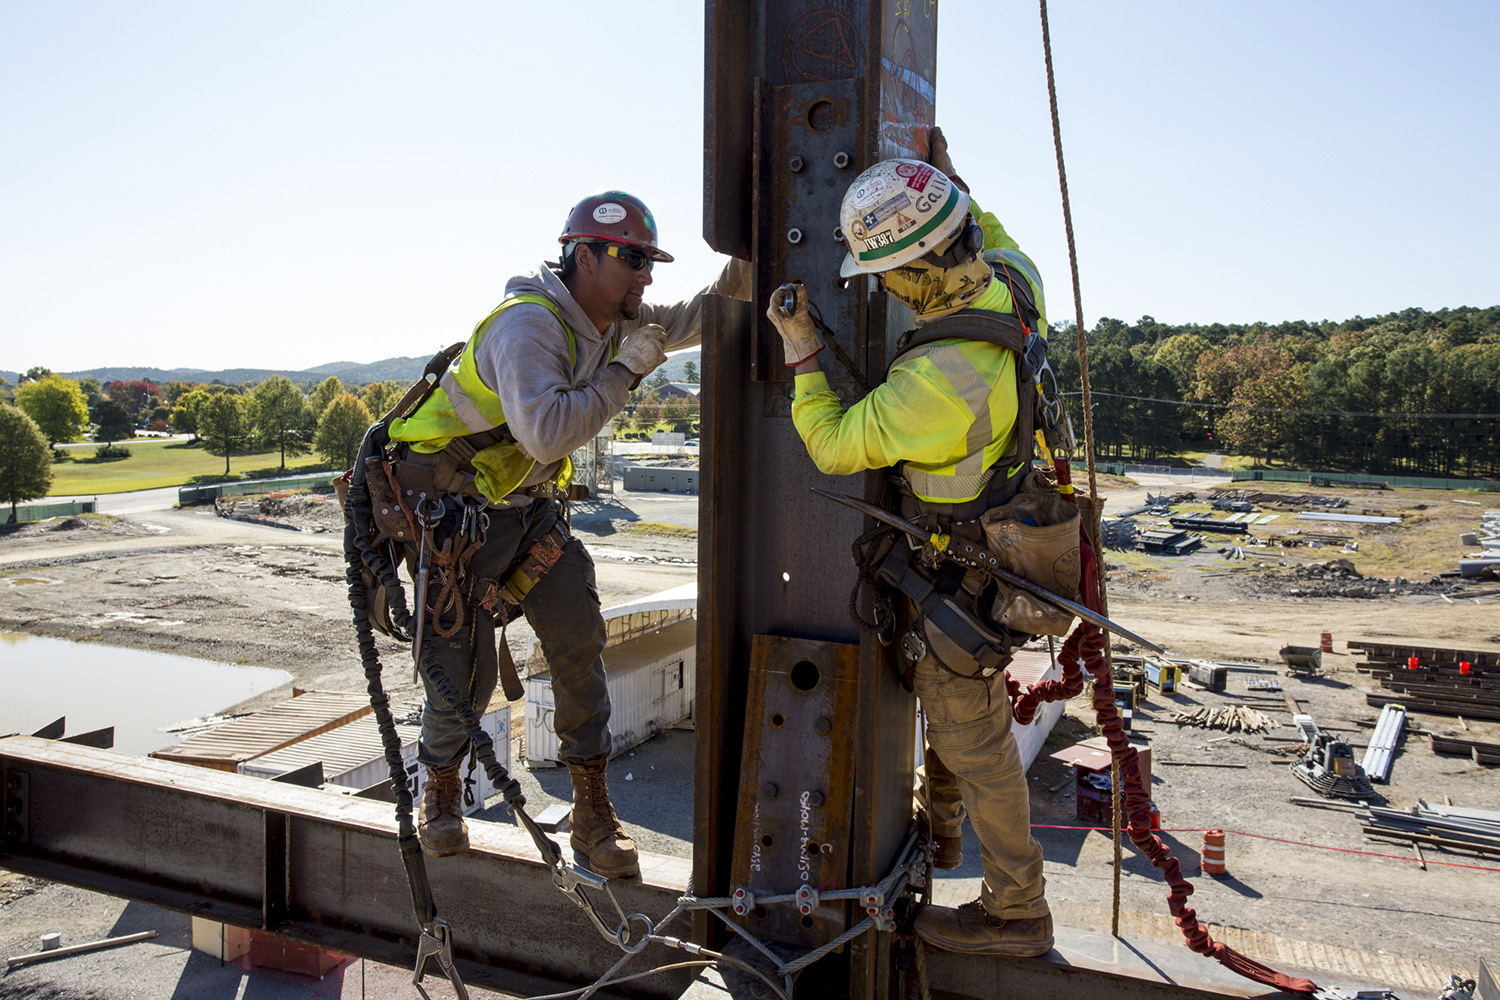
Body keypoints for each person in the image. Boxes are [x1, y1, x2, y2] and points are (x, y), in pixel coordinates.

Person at [386, 191, 747, 876]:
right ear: (587, 255)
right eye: (635, 259)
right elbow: (549, 430)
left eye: (649, 262)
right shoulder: (529, 326)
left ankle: (592, 813)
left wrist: (754, 252)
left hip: (524, 515)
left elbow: (705, 313)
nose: (647, 276)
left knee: (580, 643)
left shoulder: (615, 320)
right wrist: (626, 370)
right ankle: (439, 795)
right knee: (458, 671)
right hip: (456, 521)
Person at [766, 133, 1059, 957]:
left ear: (923, 269)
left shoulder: (938, 381)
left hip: (957, 576)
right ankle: (945, 833)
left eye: (889, 273)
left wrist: (803, 352)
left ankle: (1017, 911)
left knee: (974, 734)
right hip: (990, 551)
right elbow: (989, 223)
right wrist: (945, 172)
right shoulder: (1013, 281)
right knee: (957, 712)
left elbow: (830, 443)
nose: (886, 288)